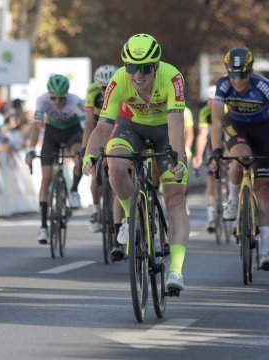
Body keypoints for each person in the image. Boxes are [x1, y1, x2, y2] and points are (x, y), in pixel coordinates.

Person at [81, 34, 189, 292]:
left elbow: (176, 124)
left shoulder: (172, 78)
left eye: (144, 68)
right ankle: (132, 217)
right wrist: (90, 154)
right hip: (131, 127)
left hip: (164, 131)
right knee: (115, 165)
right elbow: (102, 126)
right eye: (132, 68)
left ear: (156, 66)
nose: (137, 75)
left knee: (174, 198)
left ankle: (175, 271)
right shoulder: (119, 80)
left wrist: (178, 159)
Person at [209, 46, 269, 271]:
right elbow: (216, 122)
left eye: (242, 75)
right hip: (237, 127)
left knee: (263, 188)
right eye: (233, 75)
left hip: (263, 130)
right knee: (241, 158)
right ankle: (233, 199)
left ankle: (265, 249)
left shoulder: (264, 86)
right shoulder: (223, 85)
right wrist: (216, 151)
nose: (237, 80)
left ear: (251, 72)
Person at [25, 74, 85, 245]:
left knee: (78, 154)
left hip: (73, 131)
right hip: (53, 133)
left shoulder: (75, 102)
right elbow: (36, 127)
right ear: (49, 95)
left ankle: (73, 190)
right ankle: (43, 227)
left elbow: (85, 126)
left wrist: (86, 148)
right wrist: (30, 150)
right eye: (54, 98)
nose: (57, 102)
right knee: (47, 177)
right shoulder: (42, 100)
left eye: (61, 98)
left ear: (67, 94)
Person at [83, 64, 118, 234]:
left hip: (117, 122)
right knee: (96, 176)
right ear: (98, 86)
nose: (106, 91)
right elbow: (89, 123)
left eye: (109, 86)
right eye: (103, 88)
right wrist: (86, 150)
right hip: (99, 121)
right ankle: (96, 209)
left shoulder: (121, 87)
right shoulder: (91, 92)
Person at [192, 85, 217, 232]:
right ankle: (211, 217)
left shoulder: (227, 109)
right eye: (209, 101)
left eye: (214, 101)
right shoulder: (205, 111)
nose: (211, 105)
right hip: (212, 143)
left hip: (227, 137)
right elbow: (202, 135)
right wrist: (199, 157)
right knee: (211, 179)